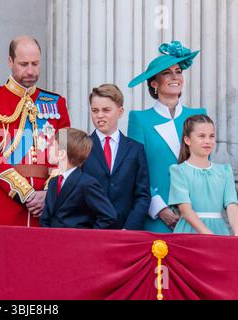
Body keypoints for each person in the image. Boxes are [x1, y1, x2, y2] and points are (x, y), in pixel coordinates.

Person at [0, 35, 70, 227]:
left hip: (47, 206)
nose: (30, 71)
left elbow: (66, 154)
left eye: (35, 64)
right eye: (24, 64)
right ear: (10, 62)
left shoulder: (56, 103)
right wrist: (27, 193)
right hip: (6, 201)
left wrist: (48, 194)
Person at [127, 40, 207, 233]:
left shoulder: (198, 115)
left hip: (194, 215)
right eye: (166, 72)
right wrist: (159, 208)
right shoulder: (139, 119)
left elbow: (205, 168)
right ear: (154, 83)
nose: (174, 76)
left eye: (178, 71)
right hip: (156, 216)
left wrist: (189, 208)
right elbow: (136, 169)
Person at [82, 84, 150, 230]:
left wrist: (129, 229)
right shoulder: (81, 148)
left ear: (120, 112)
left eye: (106, 110)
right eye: (95, 110)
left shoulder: (135, 149)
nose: (100, 115)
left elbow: (142, 196)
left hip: (126, 231)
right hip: (90, 231)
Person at [168, 115, 238, 235]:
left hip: (219, 231)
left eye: (211, 136)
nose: (207, 141)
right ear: (187, 140)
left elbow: (231, 204)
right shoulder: (179, 171)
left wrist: (237, 232)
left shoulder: (225, 171)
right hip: (190, 231)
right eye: (202, 136)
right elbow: (185, 210)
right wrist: (208, 235)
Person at [40, 128, 117, 229]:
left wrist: (86, 238)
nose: (48, 148)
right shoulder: (53, 182)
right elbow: (46, 218)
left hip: (75, 242)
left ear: (62, 154)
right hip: (52, 241)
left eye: (53, 145)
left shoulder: (87, 183)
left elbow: (108, 216)